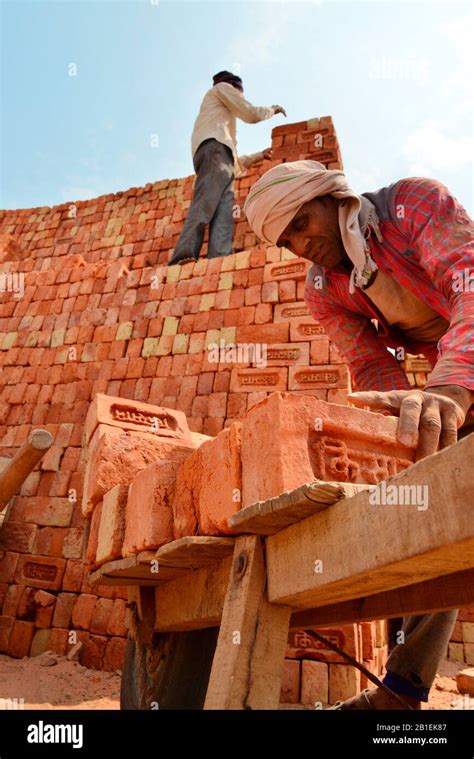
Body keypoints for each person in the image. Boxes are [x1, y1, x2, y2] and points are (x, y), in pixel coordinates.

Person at [244, 159, 474, 710]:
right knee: (415, 509)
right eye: (287, 241)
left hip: (459, 367)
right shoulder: (325, 288)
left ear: (333, 197)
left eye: (302, 224)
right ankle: (401, 690)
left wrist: (450, 391)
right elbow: (372, 368)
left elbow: (470, 285)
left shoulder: (410, 206)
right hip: (452, 376)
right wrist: (396, 440)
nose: (301, 245)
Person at [168, 71, 286, 265]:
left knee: (223, 212)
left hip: (220, 156)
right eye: (240, 93)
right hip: (213, 150)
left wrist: (260, 156)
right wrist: (272, 109)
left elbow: (233, 163)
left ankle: (219, 261)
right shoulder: (222, 89)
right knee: (205, 202)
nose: (241, 97)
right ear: (235, 88)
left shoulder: (221, 123)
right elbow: (251, 113)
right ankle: (182, 255)